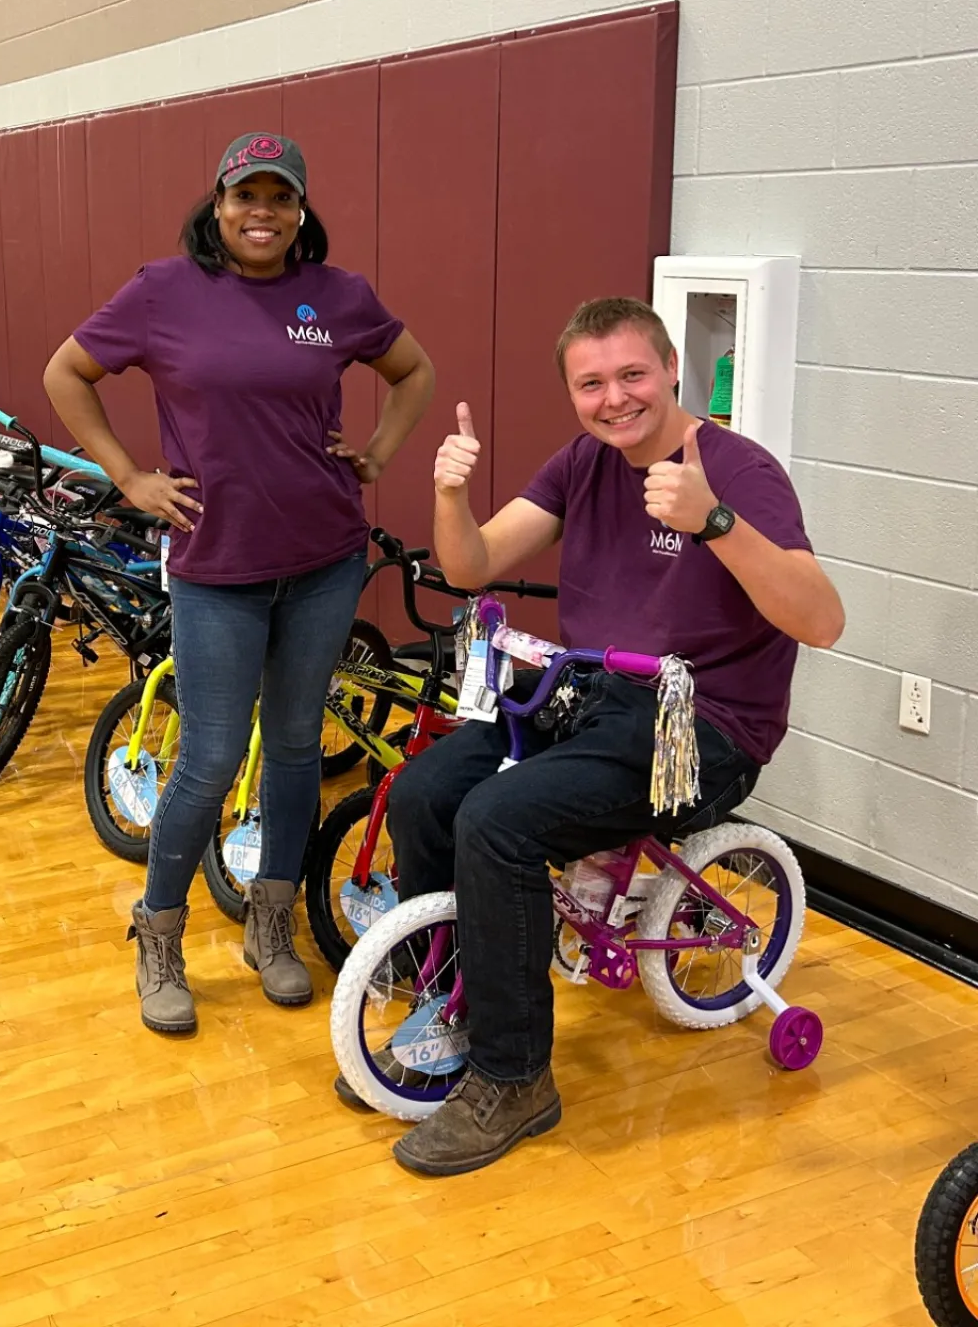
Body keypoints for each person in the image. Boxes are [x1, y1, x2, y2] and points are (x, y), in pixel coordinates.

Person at [340, 295, 844, 1175]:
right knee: (426, 792)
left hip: (704, 728)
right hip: (594, 698)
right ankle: (447, 1004)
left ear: (672, 368)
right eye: (592, 383)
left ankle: (514, 1076)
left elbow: (823, 620)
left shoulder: (738, 470)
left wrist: (714, 522)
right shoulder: (585, 463)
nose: (614, 398)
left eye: (632, 375)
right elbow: (470, 565)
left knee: (497, 821)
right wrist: (448, 491)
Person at [44, 132, 435, 1034]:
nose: (262, 212)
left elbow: (412, 371)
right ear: (217, 207)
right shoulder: (163, 292)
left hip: (326, 561)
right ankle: (160, 935)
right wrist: (127, 477)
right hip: (216, 566)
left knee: (297, 747)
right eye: (245, 196)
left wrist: (375, 452)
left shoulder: (336, 298)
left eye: (279, 197)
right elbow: (66, 373)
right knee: (213, 755)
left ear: (301, 211)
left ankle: (271, 922)